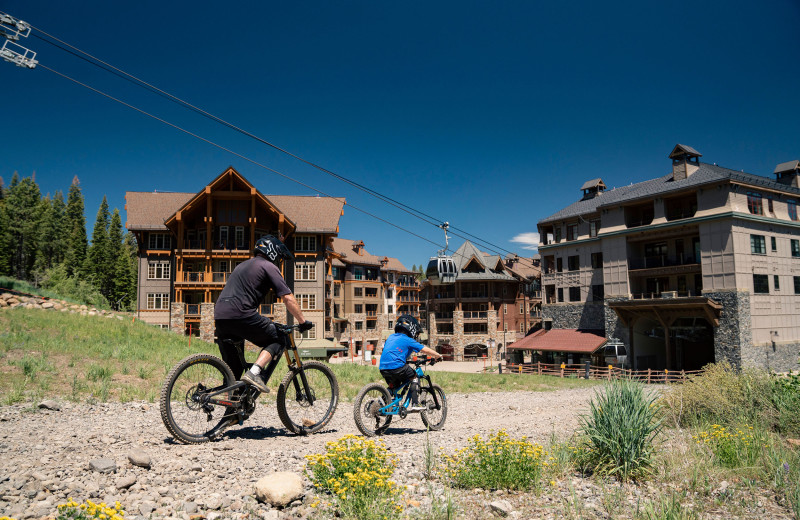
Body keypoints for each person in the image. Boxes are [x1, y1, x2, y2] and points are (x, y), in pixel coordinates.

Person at [214, 234, 313, 393]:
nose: (279, 261)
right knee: (279, 337)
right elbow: (287, 298)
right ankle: (254, 373)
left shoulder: (242, 265)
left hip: (220, 316)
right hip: (241, 314)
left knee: (235, 370)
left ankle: (232, 414)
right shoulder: (268, 266)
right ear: (273, 252)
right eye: (280, 257)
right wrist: (302, 321)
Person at [379, 314, 442, 410]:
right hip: (397, 366)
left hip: (383, 368)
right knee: (414, 377)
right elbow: (424, 349)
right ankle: (415, 404)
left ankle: (380, 403)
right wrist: (438, 355)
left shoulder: (391, 337)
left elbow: (392, 352)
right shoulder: (408, 340)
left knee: (394, 386)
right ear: (412, 329)